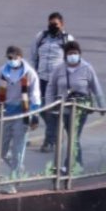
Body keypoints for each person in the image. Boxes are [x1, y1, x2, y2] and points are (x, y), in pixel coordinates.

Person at [43, 41, 105, 172]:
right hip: (65, 108)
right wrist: (49, 105)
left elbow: (96, 87)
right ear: (65, 55)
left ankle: (69, 165)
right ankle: (78, 163)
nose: (73, 56)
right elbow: (51, 87)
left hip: (81, 107)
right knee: (73, 135)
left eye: (75, 53)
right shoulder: (59, 69)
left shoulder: (87, 68)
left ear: (79, 54)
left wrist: (102, 105)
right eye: (70, 53)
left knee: (74, 135)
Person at [0, 46, 40, 193]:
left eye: (14, 57)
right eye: (9, 57)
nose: (11, 60)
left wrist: (34, 115)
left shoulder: (29, 73)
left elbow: (34, 94)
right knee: (1, 148)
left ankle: (13, 182)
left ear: (20, 57)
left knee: (18, 149)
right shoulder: (2, 72)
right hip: (5, 113)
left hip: (22, 114)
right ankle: (18, 167)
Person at [30, 13, 73, 153]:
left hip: (57, 81)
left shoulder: (67, 39)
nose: (52, 27)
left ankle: (49, 141)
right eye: (50, 24)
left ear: (62, 24)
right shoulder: (41, 37)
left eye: (55, 24)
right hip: (41, 78)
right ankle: (55, 133)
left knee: (53, 111)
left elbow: (71, 61)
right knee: (42, 108)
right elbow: (34, 56)